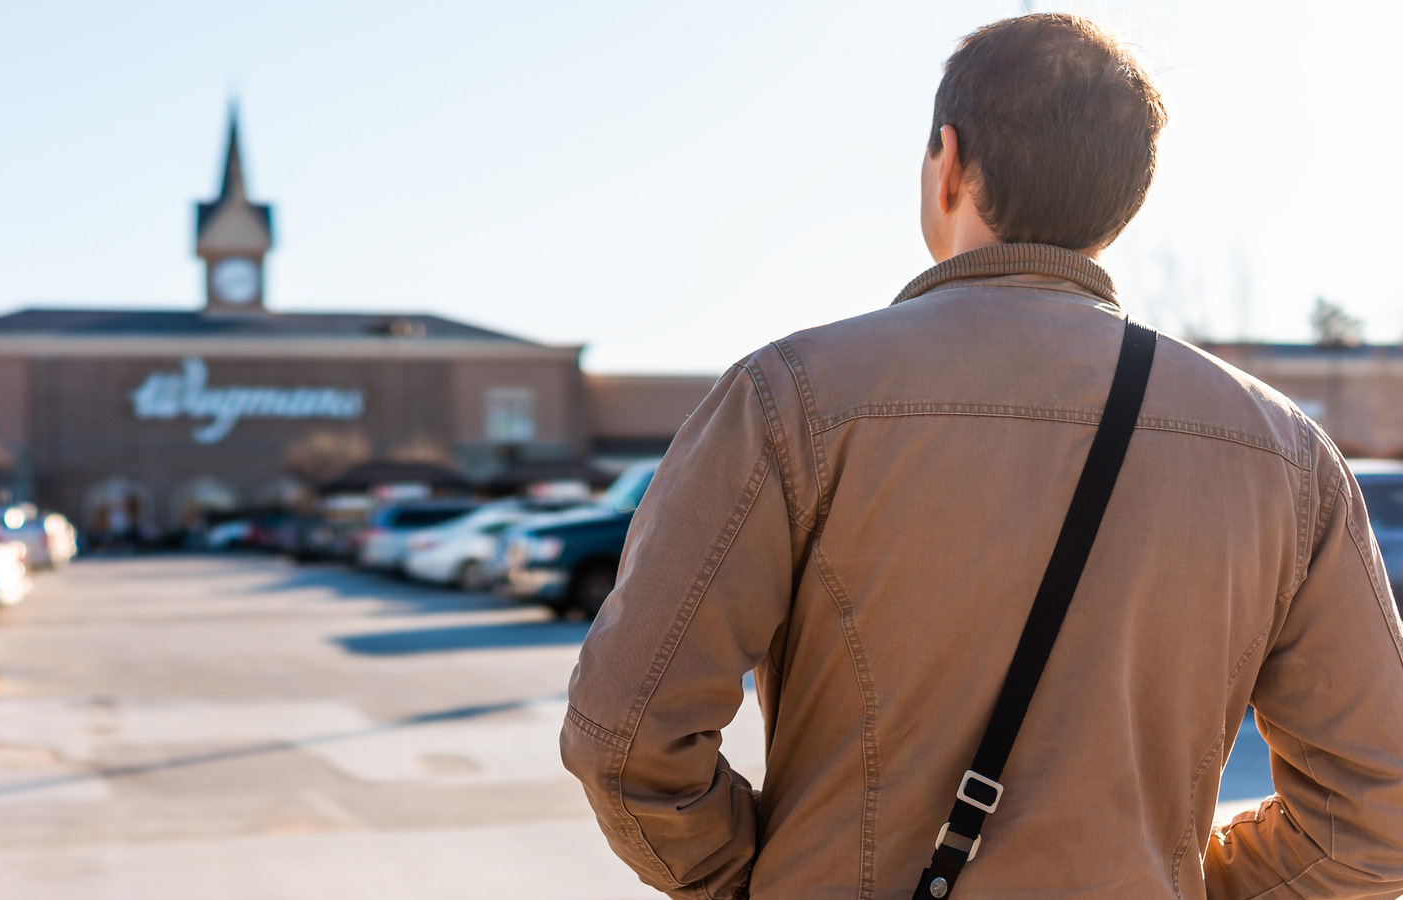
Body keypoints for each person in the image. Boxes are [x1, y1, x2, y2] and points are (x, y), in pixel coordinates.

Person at [560, 13, 1403, 900]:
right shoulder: (1286, 454)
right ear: (1129, 196)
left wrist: (760, 879)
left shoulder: (790, 399)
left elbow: (626, 737)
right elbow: (1378, 811)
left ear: (949, 162)